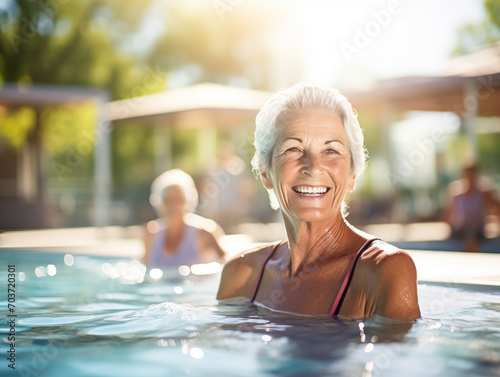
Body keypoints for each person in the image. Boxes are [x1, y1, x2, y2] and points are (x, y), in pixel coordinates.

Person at [217, 83, 420, 320]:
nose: (313, 167)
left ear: (352, 175)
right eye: (293, 149)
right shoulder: (241, 274)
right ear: (265, 173)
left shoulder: (383, 271)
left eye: (331, 151)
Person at [144, 169, 226, 267]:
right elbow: (145, 267)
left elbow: (228, 264)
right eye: (168, 200)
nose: (173, 205)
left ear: (187, 201)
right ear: (160, 202)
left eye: (178, 199)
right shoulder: (152, 232)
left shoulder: (205, 231)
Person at [442, 162, 500, 252]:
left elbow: (497, 208)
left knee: (472, 236)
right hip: (460, 230)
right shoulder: (456, 192)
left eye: (472, 175)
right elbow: (448, 213)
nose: (470, 178)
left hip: (477, 231)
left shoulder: (484, 192)